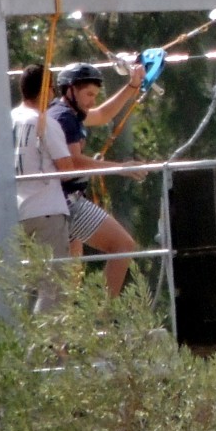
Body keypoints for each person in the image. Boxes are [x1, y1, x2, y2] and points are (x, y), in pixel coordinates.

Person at [49, 61, 148, 297]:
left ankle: (76, 327)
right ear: (70, 90)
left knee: (69, 280)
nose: (92, 100)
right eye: (88, 94)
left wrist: (133, 86)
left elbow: (103, 114)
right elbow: (75, 161)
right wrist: (120, 168)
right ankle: (102, 317)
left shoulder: (64, 113)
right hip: (68, 201)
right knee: (123, 246)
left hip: (58, 202)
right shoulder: (65, 118)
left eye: (95, 94)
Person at [11, 63, 75, 313]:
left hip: (15, 212)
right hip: (47, 210)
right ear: (46, 90)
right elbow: (67, 169)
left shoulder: (8, 120)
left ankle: (24, 341)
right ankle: (44, 346)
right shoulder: (44, 122)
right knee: (55, 285)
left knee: (23, 285)